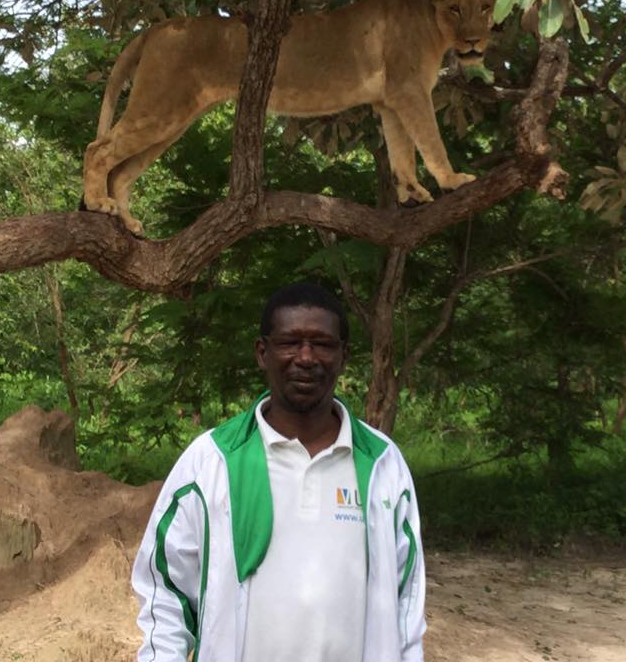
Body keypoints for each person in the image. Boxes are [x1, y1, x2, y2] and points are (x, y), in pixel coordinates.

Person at [132, 281, 426, 662]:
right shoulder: (212, 461)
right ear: (262, 352)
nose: (306, 357)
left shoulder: (384, 464)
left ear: (343, 355)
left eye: (321, 344)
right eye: (290, 342)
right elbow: (165, 590)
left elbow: (407, 601)